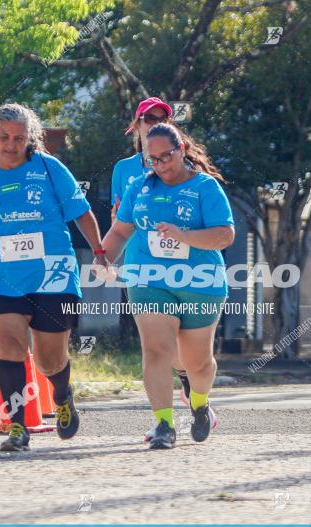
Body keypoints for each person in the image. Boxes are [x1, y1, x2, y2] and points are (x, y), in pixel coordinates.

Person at [0, 103, 108, 452]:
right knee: (10, 348)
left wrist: (100, 252)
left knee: (49, 359)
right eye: (4, 137)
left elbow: (82, 213)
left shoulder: (49, 169)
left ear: (29, 138)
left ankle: (62, 395)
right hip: (2, 277)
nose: (12, 144)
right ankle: (17, 426)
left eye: (18, 138)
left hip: (52, 276)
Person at [103, 122, 235, 449]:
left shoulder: (206, 187)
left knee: (197, 362)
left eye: (167, 156)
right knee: (156, 349)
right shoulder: (139, 187)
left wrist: (185, 235)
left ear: (183, 150)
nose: (161, 165)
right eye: (153, 159)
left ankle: (200, 403)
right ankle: (164, 424)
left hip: (199, 281)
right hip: (148, 277)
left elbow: (225, 234)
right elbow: (121, 231)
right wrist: (103, 257)